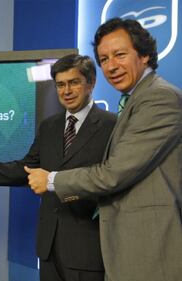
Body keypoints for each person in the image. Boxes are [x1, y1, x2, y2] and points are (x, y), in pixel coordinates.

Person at [25, 18, 182, 281]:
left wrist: (52, 180)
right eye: (104, 59)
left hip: (149, 249)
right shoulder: (135, 100)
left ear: (144, 55)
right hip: (122, 246)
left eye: (119, 55)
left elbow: (114, 173)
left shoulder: (159, 98)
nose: (111, 66)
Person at [0, 54, 116, 281]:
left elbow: (111, 178)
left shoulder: (112, 125)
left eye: (74, 82)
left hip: (88, 249)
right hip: (48, 249)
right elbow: (27, 168)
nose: (66, 91)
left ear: (91, 83)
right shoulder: (49, 126)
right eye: (60, 85)